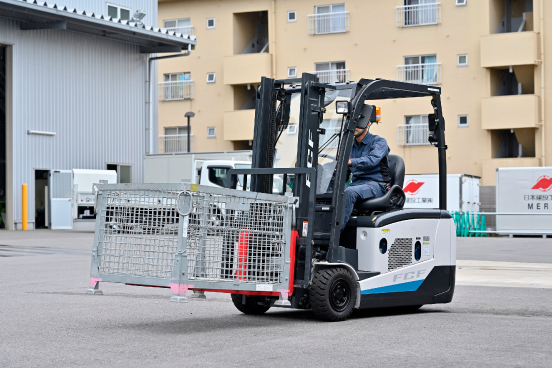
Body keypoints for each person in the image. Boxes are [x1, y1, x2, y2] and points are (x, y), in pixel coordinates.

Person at [341, 123, 390, 232]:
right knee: (333, 192)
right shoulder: (348, 146)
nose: (355, 126)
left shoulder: (379, 142)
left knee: (349, 192)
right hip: (357, 184)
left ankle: (333, 236)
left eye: (358, 122)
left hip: (377, 185)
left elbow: (372, 160)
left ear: (367, 123)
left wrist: (350, 162)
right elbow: (344, 173)